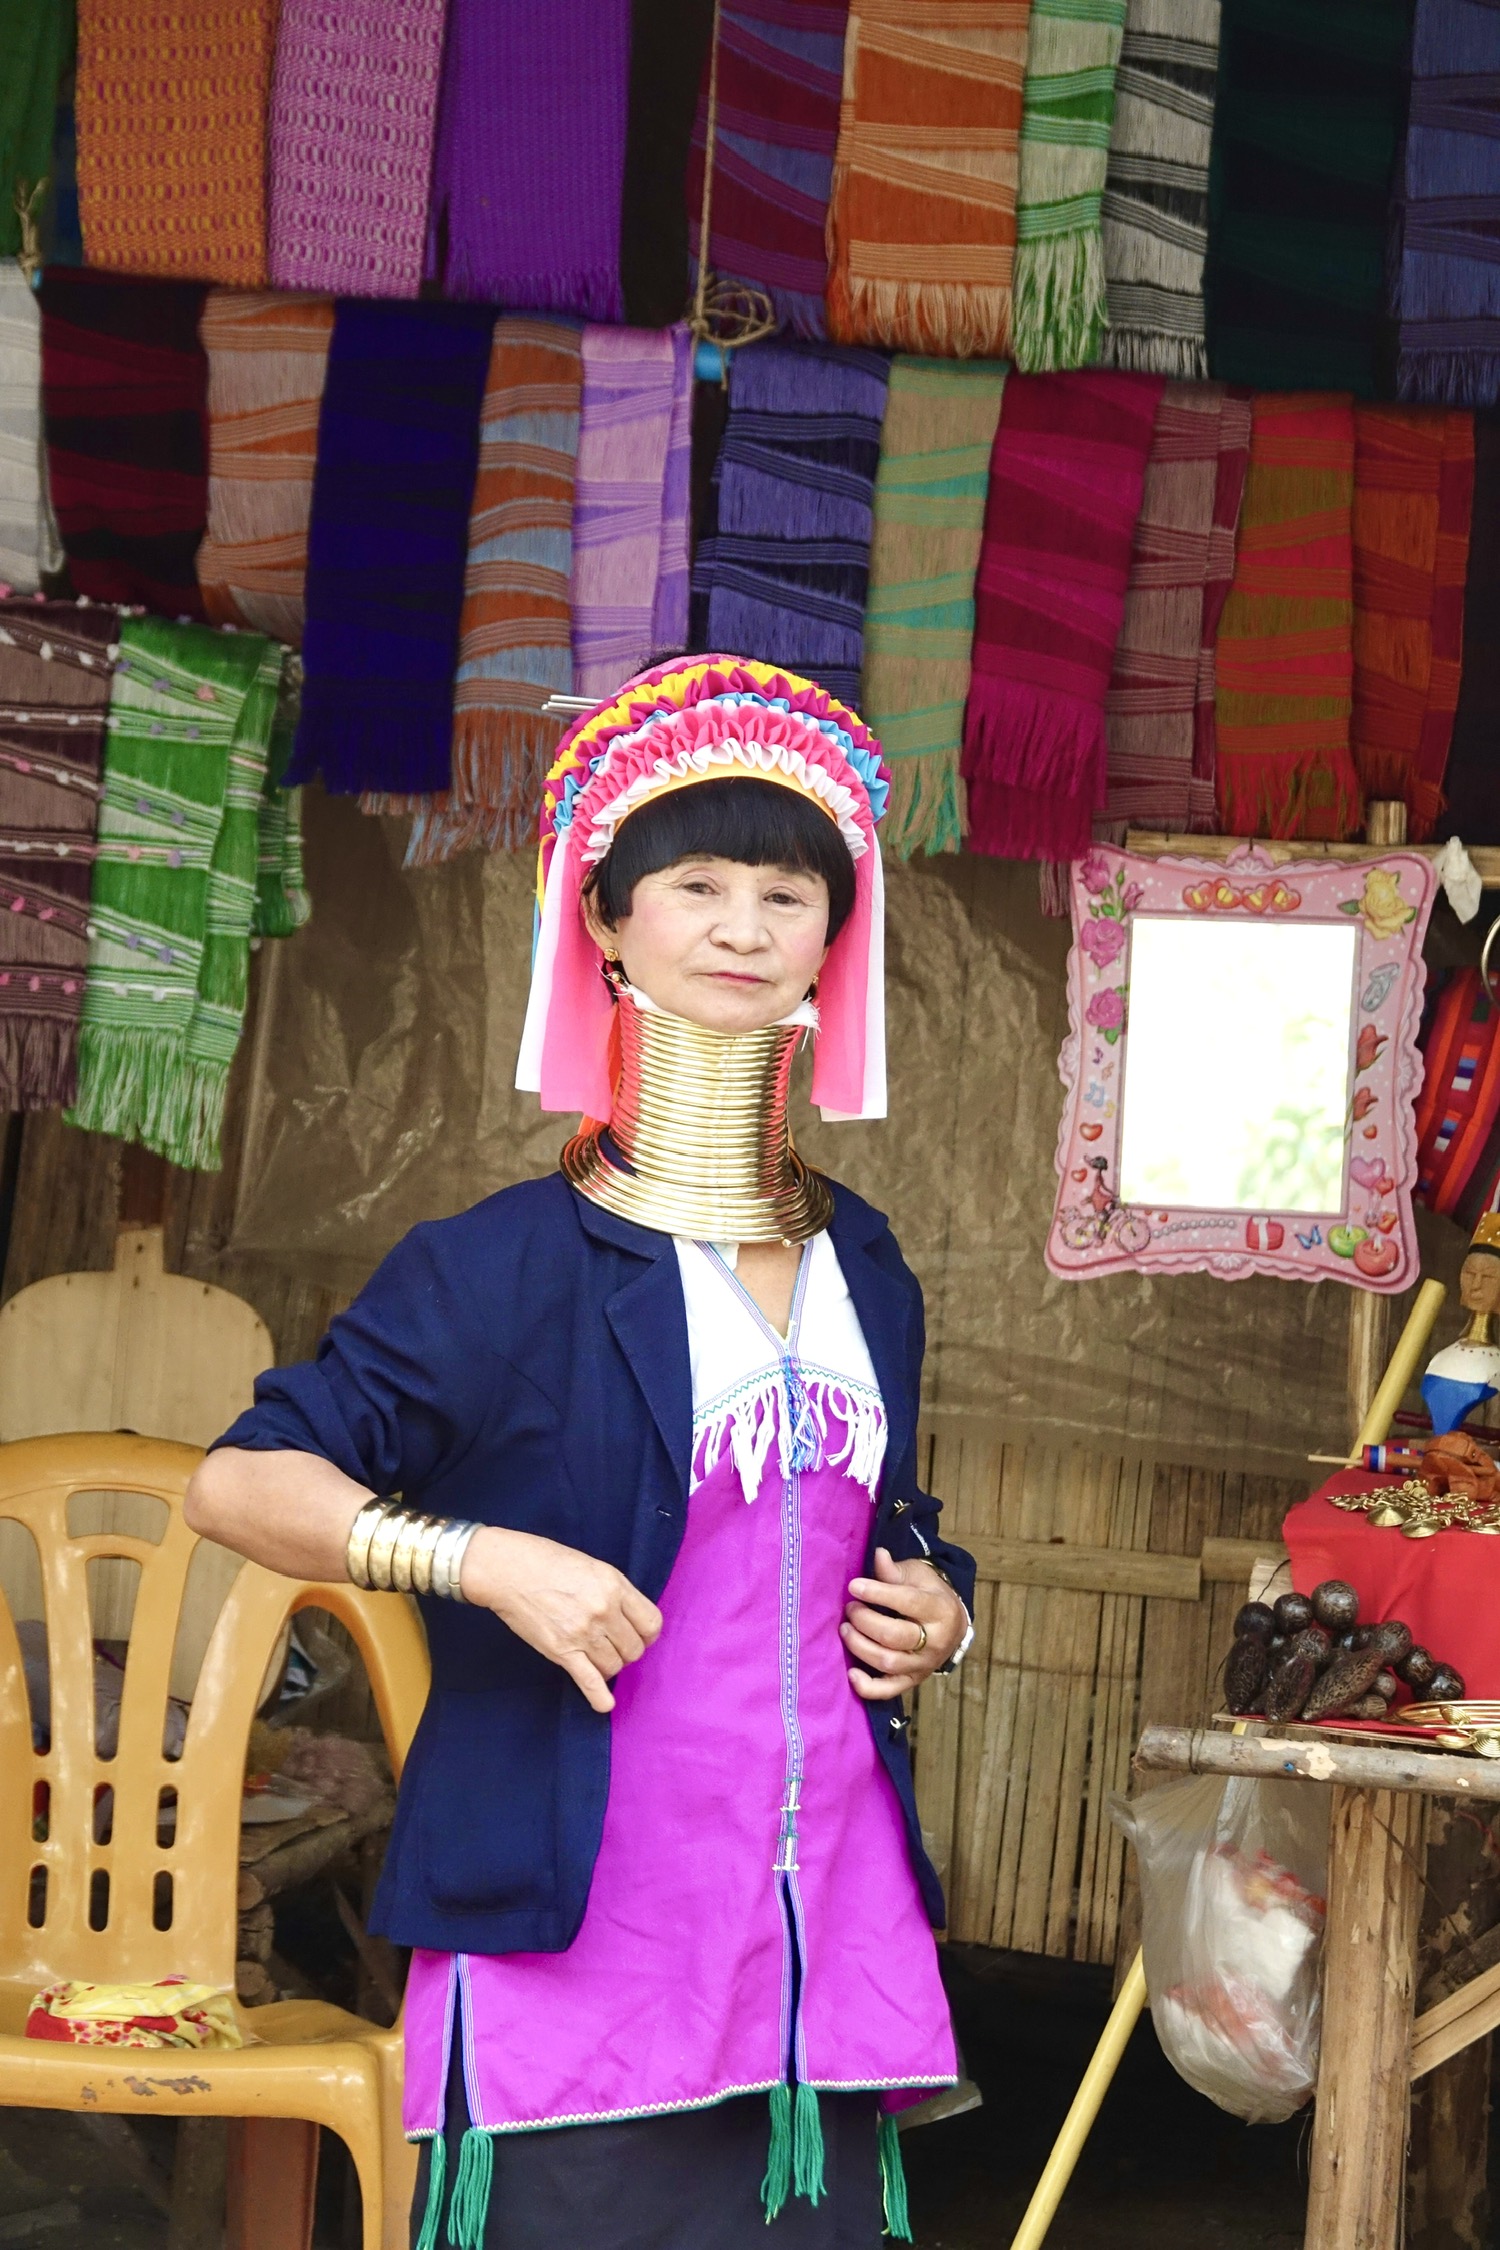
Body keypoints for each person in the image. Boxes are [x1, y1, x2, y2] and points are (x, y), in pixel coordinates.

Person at [186, 656, 976, 2250]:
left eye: (787, 892)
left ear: (835, 933)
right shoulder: (505, 1266)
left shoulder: (869, 1263)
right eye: (697, 886)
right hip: (584, 1927)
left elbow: (884, 1522)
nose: (746, 927)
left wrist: (944, 1609)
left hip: (821, 1924)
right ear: (605, 922)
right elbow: (240, 1479)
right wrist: (481, 1559)